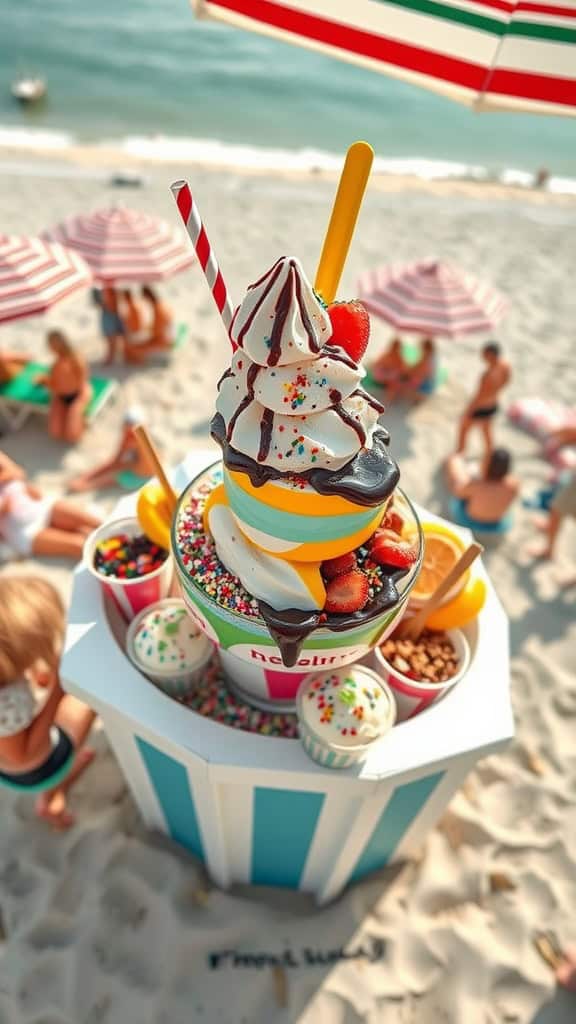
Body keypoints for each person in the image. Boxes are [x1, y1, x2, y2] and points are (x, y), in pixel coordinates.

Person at [0, 576, 96, 828]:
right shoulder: (5, 705)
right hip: (33, 771)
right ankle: (52, 795)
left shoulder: (5, 671)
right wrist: (56, 693)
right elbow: (22, 755)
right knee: (87, 704)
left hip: (10, 758)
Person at [0, 449, 101, 560]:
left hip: (39, 505)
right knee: (81, 545)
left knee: (96, 524)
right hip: (23, 530)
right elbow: (12, 473)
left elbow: (17, 472)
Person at [67, 407, 152, 493]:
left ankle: (84, 485)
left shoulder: (141, 442)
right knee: (115, 466)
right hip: (136, 465)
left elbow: (143, 470)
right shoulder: (130, 438)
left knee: (115, 476)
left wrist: (122, 466)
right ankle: (84, 479)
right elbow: (115, 461)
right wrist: (88, 476)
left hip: (140, 477)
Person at [455, 342, 511, 461]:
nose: (482, 356)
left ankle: (460, 452)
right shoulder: (505, 366)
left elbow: (479, 397)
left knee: (463, 428)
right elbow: (506, 382)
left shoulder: (487, 376)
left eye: (484, 354)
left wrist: (468, 411)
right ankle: (490, 454)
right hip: (494, 403)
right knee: (486, 430)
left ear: (491, 355)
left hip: (482, 407)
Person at [36, 330, 92, 443]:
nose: (50, 347)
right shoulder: (56, 363)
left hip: (78, 395)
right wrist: (45, 382)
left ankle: (80, 421)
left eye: (52, 343)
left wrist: (76, 403)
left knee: (73, 435)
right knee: (55, 432)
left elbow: (82, 380)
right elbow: (55, 383)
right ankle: (71, 418)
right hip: (61, 396)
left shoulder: (75, 358)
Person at [445, 448, 519, 531]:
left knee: (454, 461)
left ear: (487, 465)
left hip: (471, 521)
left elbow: (458, 492)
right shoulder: (514, 485)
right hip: (497, 523)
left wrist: (467, 478)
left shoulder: (477, 485)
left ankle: (452, 458)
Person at [94, 285, 126, 364]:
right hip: (109, 312)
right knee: (111, 337)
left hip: (112, 312)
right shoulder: (102, 288)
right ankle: (111, 356)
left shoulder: (110, 287)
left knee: (113, 337)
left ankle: (111, 357)